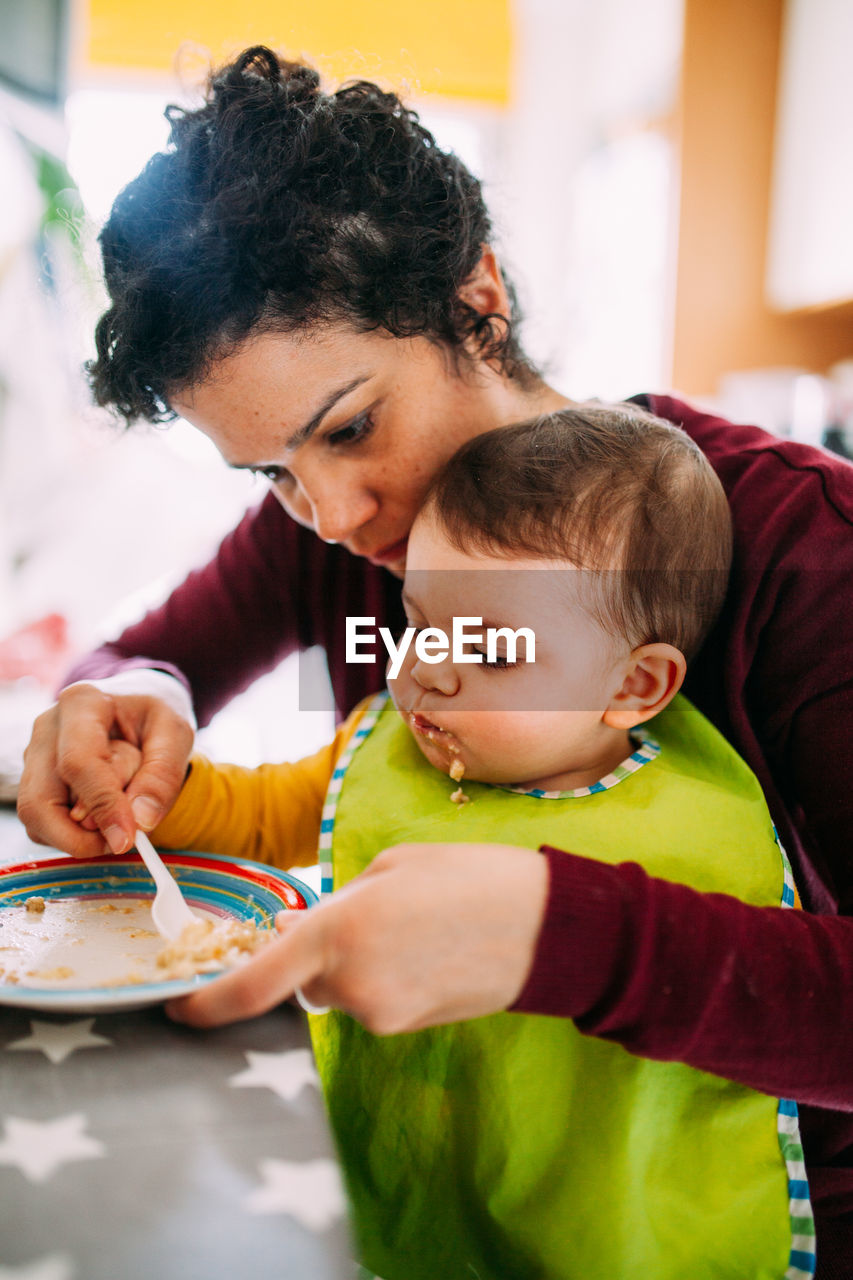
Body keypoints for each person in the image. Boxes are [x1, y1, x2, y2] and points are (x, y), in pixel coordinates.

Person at [14, 45, 853, 1274]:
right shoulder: (335, 526)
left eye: (348, 427)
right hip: (439, 1191)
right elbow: (146, 655)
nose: (335, 514)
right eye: (269, 473)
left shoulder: (793, 544)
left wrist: (560, 936)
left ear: (477, 299)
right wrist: (122, 699)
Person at [139, 405, 809, 1279]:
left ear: (635, 684)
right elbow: (263, 814)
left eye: (490, 650)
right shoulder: (390, 741)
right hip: (410, 1181)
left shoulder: (701, 839)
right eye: (417, 620)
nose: (427, 670)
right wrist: (158, 792)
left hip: (611, 1224)